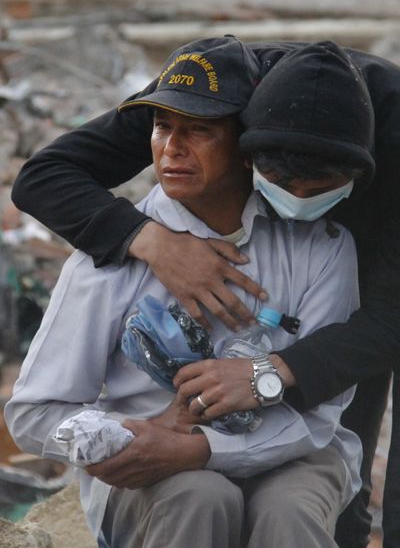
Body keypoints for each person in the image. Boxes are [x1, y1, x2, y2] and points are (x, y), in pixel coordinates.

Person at [10, 36, 400, 547]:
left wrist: (270, 376)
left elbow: (375, 337)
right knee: (198, 499)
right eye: (282, 178)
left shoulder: (328, 246)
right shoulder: (214, 92)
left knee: (310, 503)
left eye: (319, 184)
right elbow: (44, 176)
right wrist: (149, 242)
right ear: (249, 149)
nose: (299, 202)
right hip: (172, 458)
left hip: (377, 264)